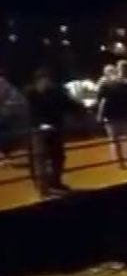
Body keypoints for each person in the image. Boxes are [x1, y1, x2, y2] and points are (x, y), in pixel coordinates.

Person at [23, 68, 81, 197]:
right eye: (44, 79)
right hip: (37, 130)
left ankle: (55, 181)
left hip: (55, 128)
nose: (47, 82)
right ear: (38, 80)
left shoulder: (56, 92)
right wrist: (39, 123)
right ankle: (42, 187)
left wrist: (79, 108)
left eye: (48, 79)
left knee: (58, 157)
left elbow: (69, 105)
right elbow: (29, 111)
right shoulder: (31, 92)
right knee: (40, 158)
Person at [96, 60, 127, 168]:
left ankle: (124, 161)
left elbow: (102, 99)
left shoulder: (109, 82)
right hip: (120, 115)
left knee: (121, 140)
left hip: (119, 115)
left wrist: (100, 114)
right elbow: (102, 99)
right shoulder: (125, 83)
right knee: (125, 139)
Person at [0, 69, 28, 168]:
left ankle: (4, 156)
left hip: (9, 111)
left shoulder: (2, 82)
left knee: (3, 134)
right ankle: (5, 156)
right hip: (8, 111)